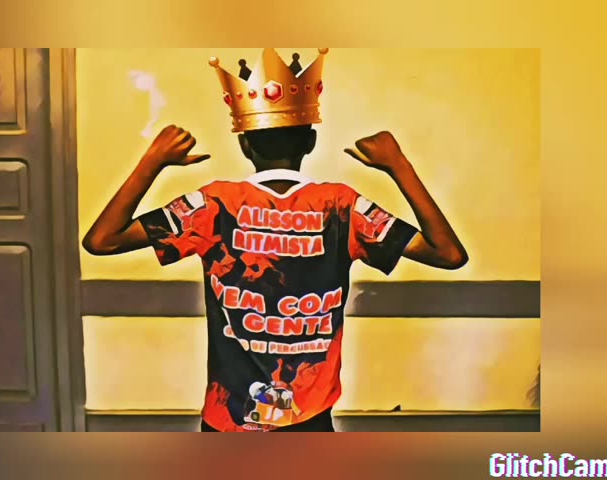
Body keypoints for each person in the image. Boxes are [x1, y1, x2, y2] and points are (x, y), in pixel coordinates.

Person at [82, 48, 468, 432]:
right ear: (311, 142)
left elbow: (104, 240)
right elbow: (447, 253)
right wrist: (398, 165)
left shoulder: (213, 206)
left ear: (244, 144)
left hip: (227, 422)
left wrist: (153, 161)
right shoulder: (342, 208)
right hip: (309, 422)